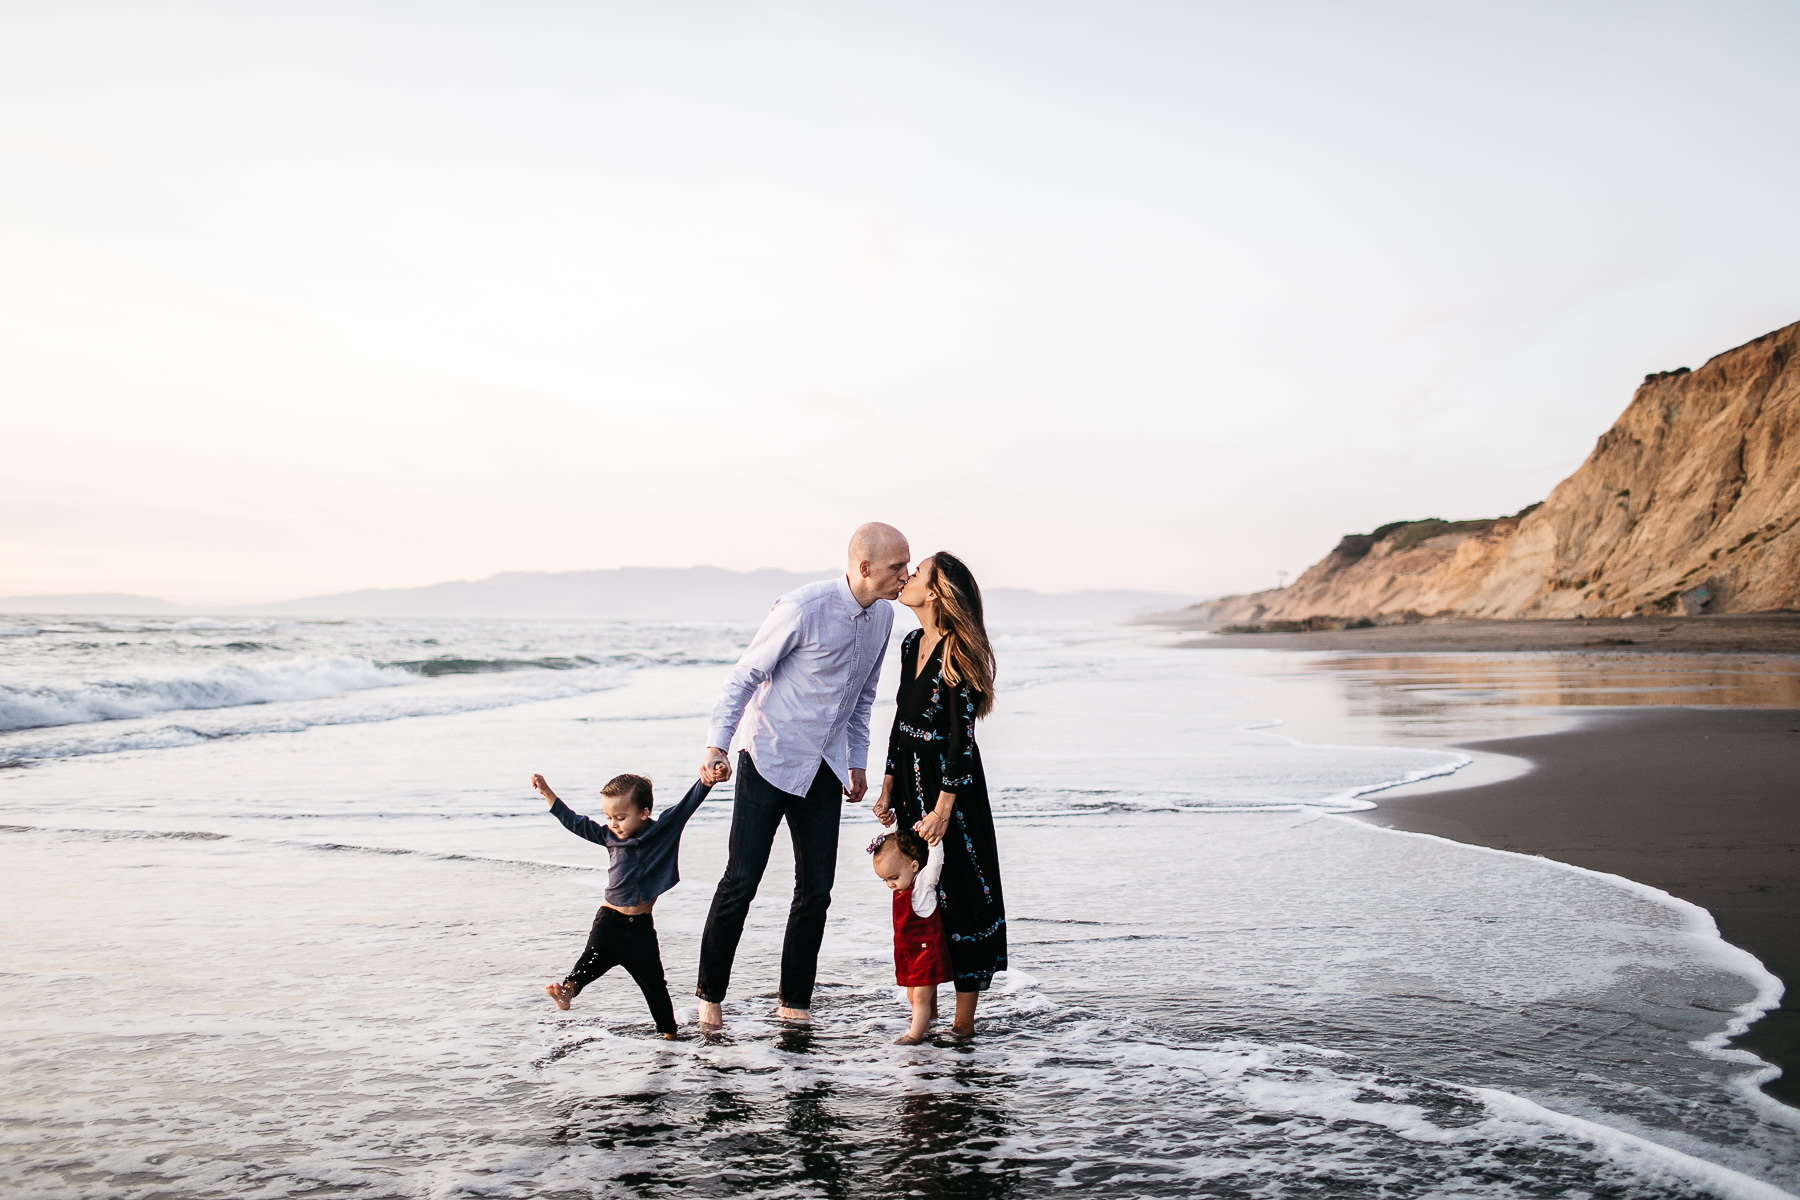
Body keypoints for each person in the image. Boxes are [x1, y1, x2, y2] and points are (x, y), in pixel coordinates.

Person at [695, 522, 911, 1029]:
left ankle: (794, 1003)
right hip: (769, 756)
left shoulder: (882, 618)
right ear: (864, 567)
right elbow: (745, 675)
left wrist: (857, 761)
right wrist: (716, 745)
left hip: (825, 767)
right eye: (897, 566)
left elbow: (863, 697)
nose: (907, 573)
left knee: (816, 890)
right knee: (740, 882)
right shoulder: (803, 608)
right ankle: (709, 997)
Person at [873, 552, 1006, 1037]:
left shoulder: (957, 651)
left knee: (963, 896)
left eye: (917, 572)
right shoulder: (912, 643)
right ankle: (922, 1014)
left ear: (934, 592)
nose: (906, 577)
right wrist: (888, 782)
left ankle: (963, 1027)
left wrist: (944, 810)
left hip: (954, 792)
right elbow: (900, 719)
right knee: (921, 895)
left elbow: (960, 739)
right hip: (910, 786)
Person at [533, 770, 716, 1037]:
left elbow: (689, 803)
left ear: (643, 813)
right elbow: (575, 822)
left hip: (641, 929)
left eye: (620, 817)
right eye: (608, 817)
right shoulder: (609, 837)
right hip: (610, 921)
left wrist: (708, 781)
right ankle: (567, 992)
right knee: (590, 960)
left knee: (655, 987)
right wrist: (548, 794)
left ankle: (670, 1035)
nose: (613, 824)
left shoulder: (664, 829)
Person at [868, 827, 950, 1045]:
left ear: (914, 866)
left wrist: (934, 841)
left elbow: (935, 864)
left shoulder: (923, 884)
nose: (890, 885)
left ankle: (915, 1035)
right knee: (912, 996)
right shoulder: (901, 889)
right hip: (908, 955)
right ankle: (927, 1023)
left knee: (921, 997)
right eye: (884, 880)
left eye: (893, 878)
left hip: (926, 954)